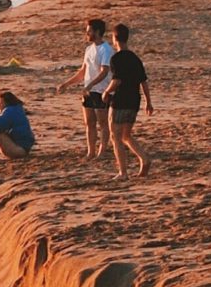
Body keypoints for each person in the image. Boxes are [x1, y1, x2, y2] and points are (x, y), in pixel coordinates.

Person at [57, 17, 115, 160]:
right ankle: (91, 152)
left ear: (97, 32)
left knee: (103, 123)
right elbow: (83, 71)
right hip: (89, 91)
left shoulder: (106, 50)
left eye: (89, 31)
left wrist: (91, 84)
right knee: (89, 122)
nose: (87, 34)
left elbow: (105, 71)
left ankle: (102, 151)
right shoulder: (89, 49)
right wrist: (66, 84)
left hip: (101, 90)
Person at [106, 24, 154, 179]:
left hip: (120, 100)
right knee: (126, 135)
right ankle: (144, 158)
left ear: (115, 39)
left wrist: (106, 92)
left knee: (116, 137)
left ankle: (123, 172)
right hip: (134, 101)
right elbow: (143, 82)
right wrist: (148, 102)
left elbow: (117, 80)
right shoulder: (135, 58)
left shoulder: (116, 58)